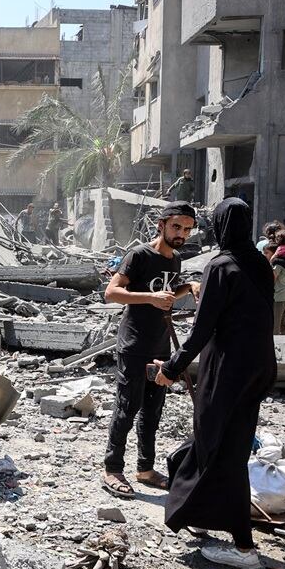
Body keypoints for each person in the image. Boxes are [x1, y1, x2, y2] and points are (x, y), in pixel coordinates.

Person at [153, 197, 276, 569]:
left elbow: (202, 329)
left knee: (215, 446)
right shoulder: (259, 263)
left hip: (227, 369)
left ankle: (241, 547)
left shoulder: (221, 266)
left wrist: (171, 369)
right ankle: (198, 510)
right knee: (227, 443)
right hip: (259, 367)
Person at [101, 201, 198, 499]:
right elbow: (112, 292)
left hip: (160, 345)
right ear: (161, 225)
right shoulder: (140, 255)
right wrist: (150, 297)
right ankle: (112, 469)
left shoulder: (176, 259)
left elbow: (168, 293)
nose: (181, 233)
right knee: (128, 407)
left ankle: (145, 468)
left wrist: (190, 286)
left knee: (153, 410)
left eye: (187, 229)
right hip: (134, 345)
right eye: (176, 227)